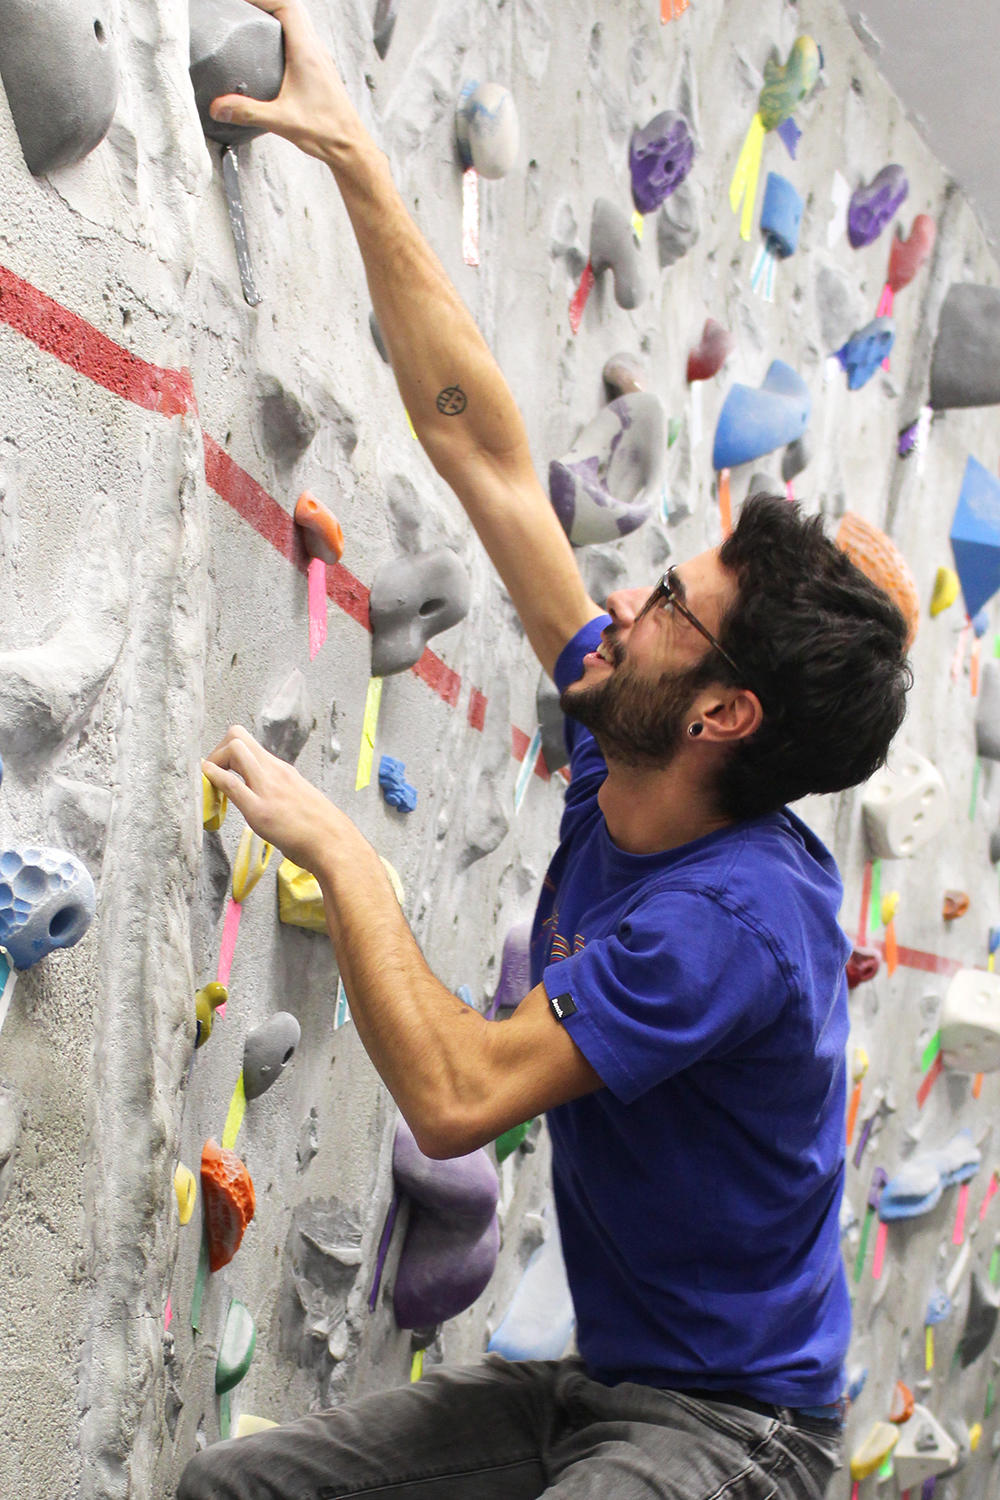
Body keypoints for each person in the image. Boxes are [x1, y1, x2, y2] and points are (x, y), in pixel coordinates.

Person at [183, 4, 911, 1496]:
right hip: (594, 1388)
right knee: (229, 1491)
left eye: (666, 610)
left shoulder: (732, 927)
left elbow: (455, 1092)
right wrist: (358, 159)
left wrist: (347, 858)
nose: (622, 611)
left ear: (723, 716)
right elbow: (489, 453)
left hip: (734, 1437)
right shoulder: (631, 736)